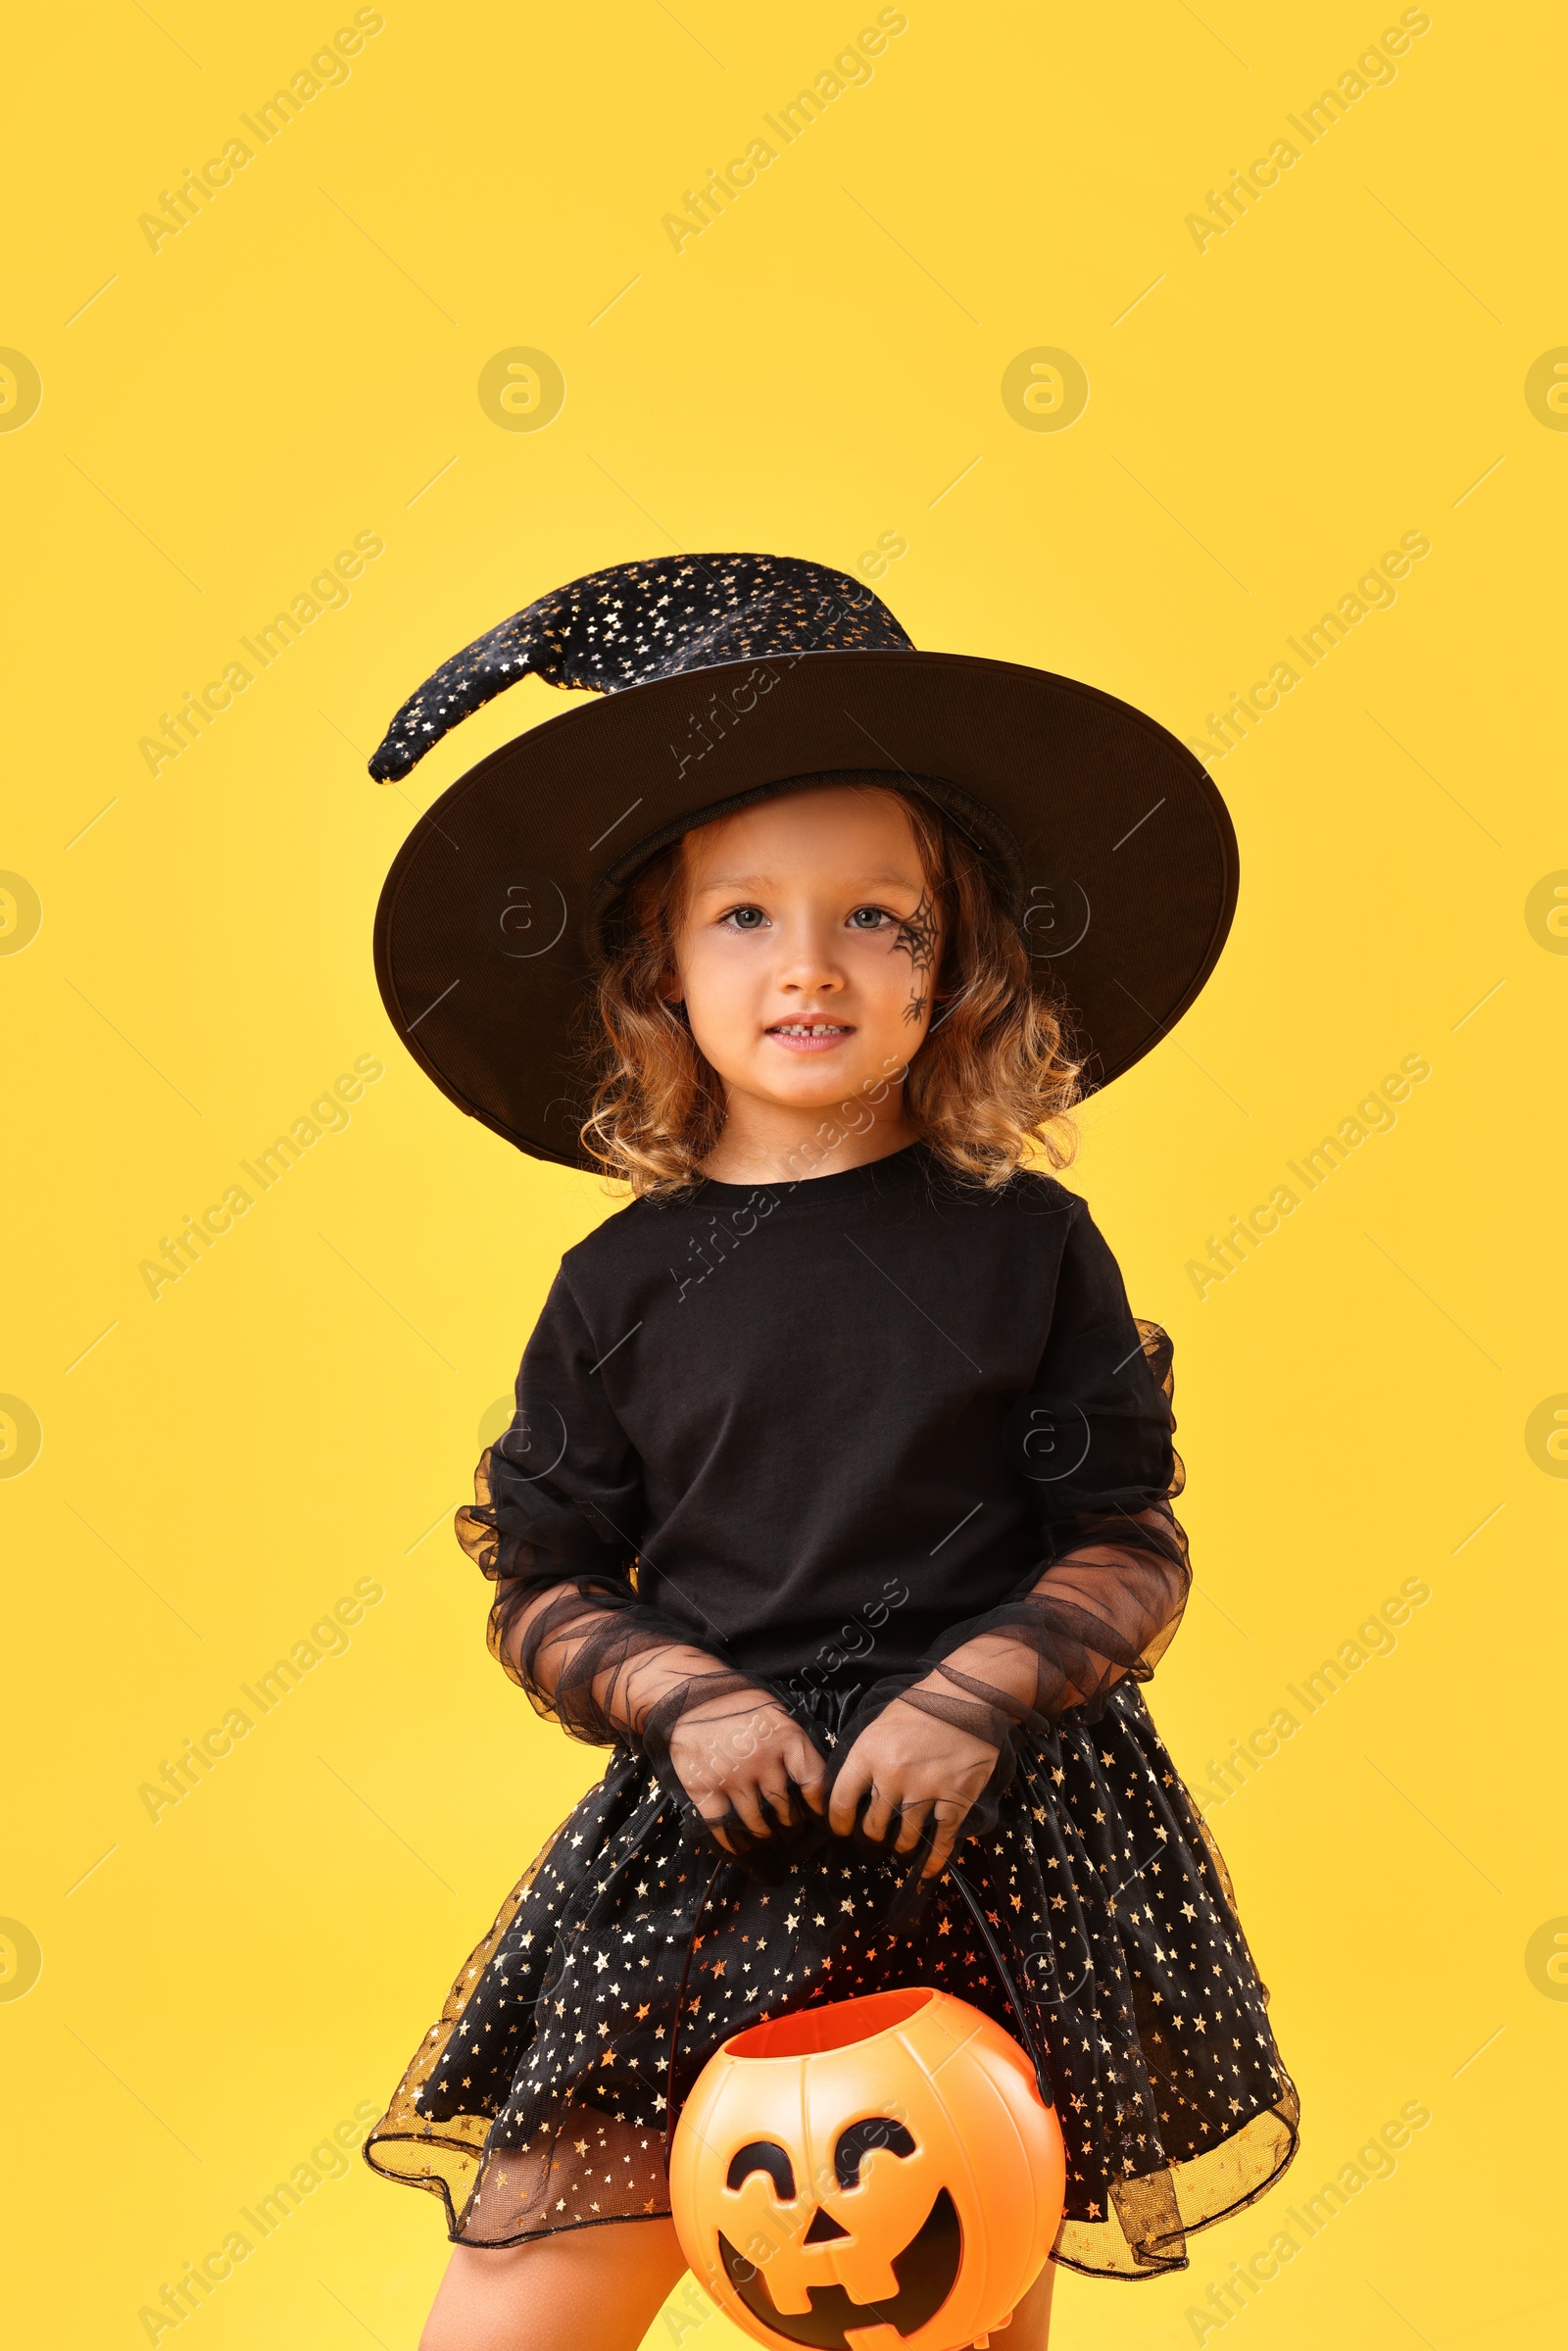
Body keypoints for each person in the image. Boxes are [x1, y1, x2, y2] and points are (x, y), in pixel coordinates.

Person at [360, 554, 1298, 2349]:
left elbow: (1127, 1536)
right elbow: (545, 1573)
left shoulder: (1026, 1248)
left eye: (881, 918)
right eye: (744, 919)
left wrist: (976, 1694)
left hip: (991, 1844)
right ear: (655, 970)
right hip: (720, 1834)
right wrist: (681, 1699)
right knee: (524, 2288)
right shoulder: (618, 1284)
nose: (813, 967)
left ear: (955, 970)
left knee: (935, 2295)